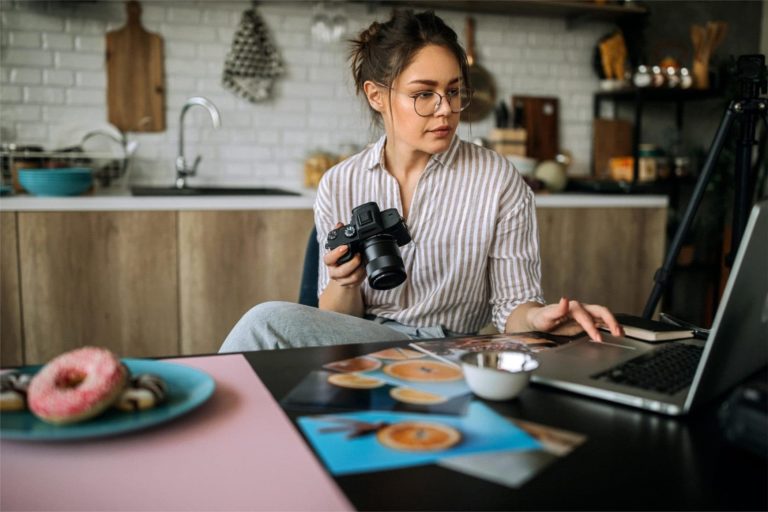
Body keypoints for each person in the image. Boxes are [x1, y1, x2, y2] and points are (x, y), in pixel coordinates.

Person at [220, 10, 623, 353]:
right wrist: (345, 281)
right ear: (377, 96)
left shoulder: (498, 180)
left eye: (453, 91)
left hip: (453, 347)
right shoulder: (340, 183)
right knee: (265, 322)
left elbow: (511, 308)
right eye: (423, 94)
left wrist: (542, 317)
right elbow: (334, 322)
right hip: (365, 341)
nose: (445, 109)